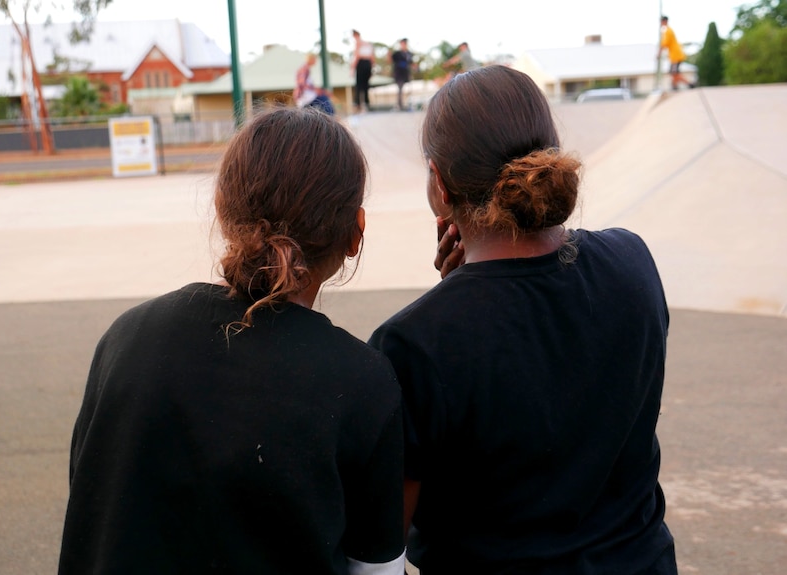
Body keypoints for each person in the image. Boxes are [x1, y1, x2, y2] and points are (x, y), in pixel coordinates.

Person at [58, 107, 406, 575]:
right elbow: (376, 568)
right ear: (354, 234)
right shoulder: (363, 381)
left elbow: (90, 498)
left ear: (223, 210)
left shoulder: (127, 338)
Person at [369, 65, 678, 574]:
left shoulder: (415, 343)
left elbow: (385, 542)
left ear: (440, 185)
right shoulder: (633, 264)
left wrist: (454, 303)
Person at [658, 15, 695, 91]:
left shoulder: (668, 31)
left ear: (664, 21)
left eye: (661, 21)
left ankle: (688, 84)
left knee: (674, 73)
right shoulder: (668, 30)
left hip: (676, 55)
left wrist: (659, 53)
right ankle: (675, 87)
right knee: (673, 73)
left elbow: (664, 44)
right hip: (675, 55)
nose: (660, 23)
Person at [351, 29, 375, 113]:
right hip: (368, 64)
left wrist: (352, 68)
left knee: (359, 85)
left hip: (361, 63)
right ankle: (366, 104)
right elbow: (372, 57)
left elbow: (357, 56)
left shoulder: (358, 43)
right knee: (366, 85)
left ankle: (358, 104)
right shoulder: (368, 44)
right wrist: (372, 68)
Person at [390, 37, 414, 111]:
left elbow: (411, 63)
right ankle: (400, 105)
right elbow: (391, 60)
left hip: (406, 73)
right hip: (399, 74)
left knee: (409, 89)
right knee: (400, 89)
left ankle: (409, 104)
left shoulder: (409, 53)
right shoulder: (397, 54)